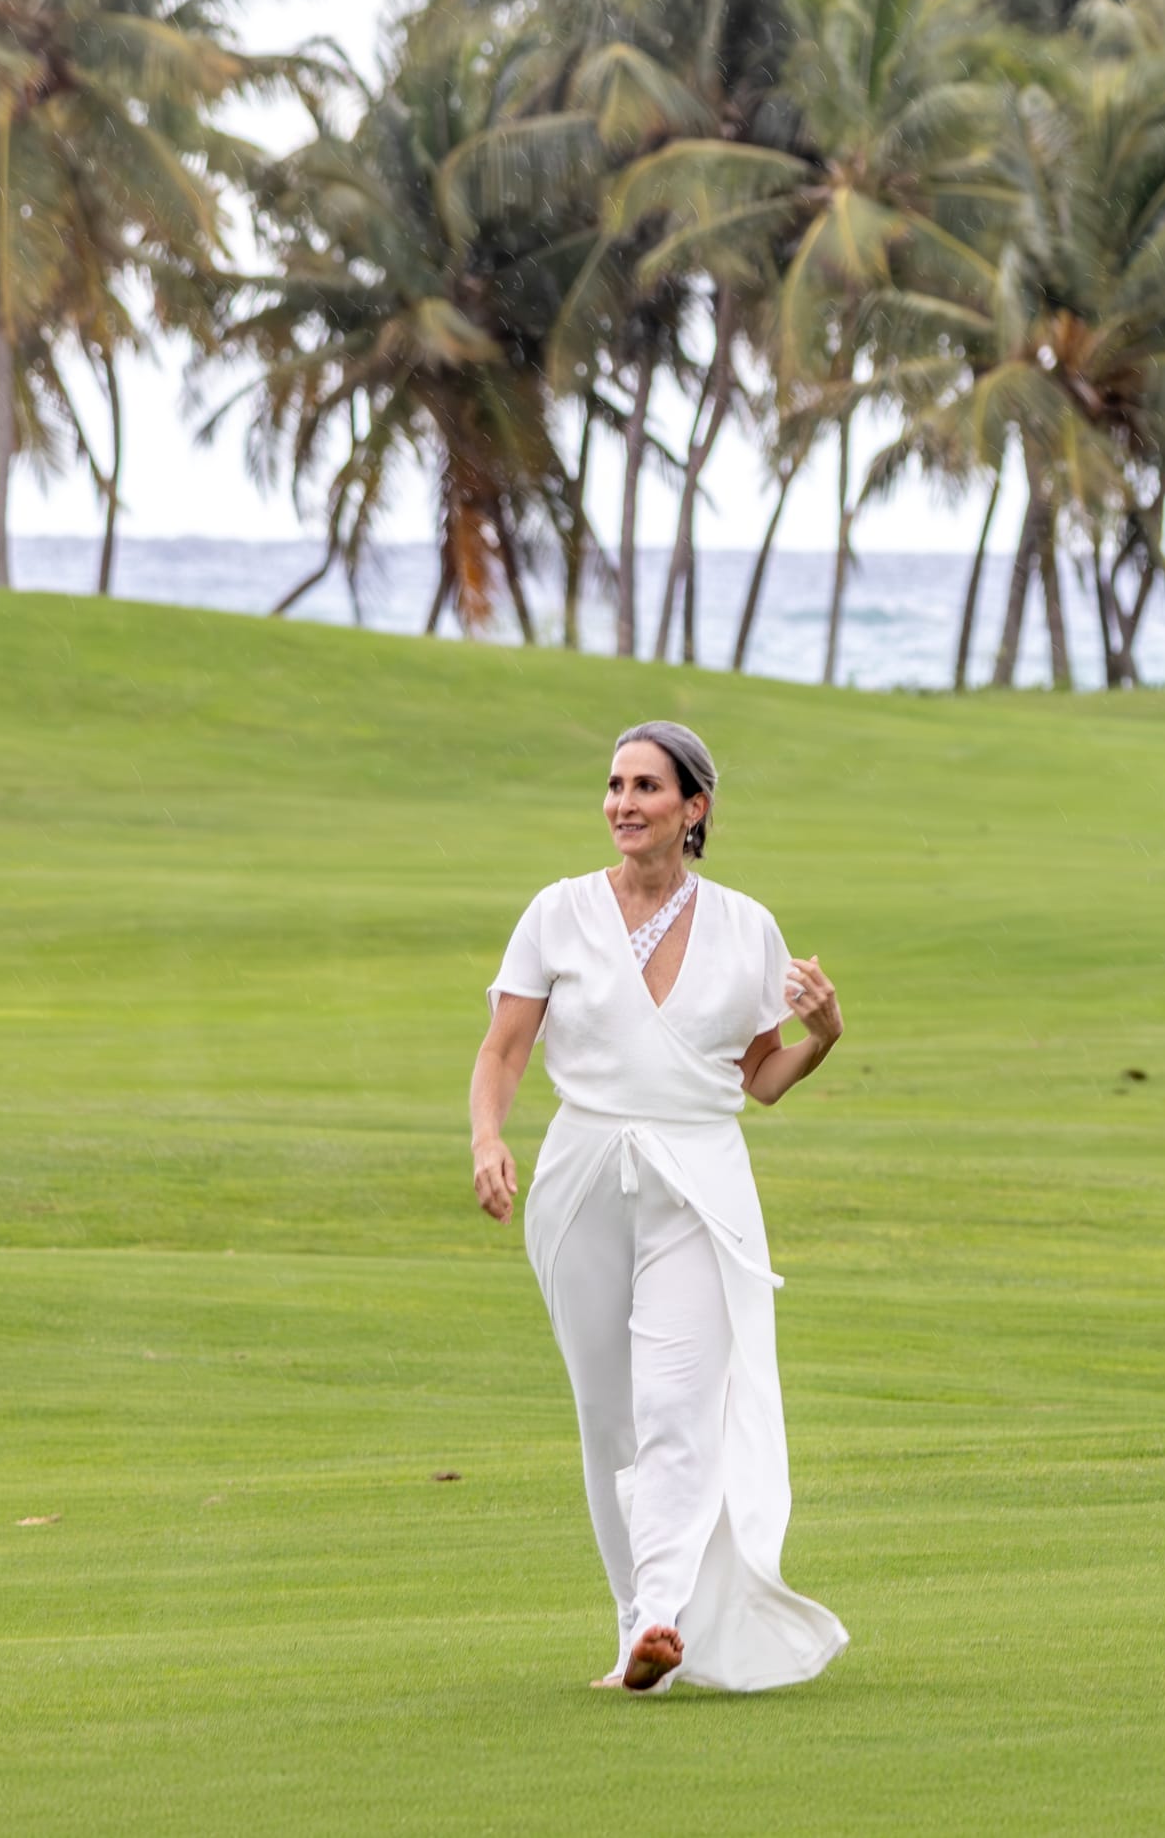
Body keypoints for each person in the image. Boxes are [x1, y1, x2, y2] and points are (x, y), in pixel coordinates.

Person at [469, 721, 852, 1694]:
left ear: (694, 808)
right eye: (613, 784)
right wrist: (487, 1138)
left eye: (645, 785)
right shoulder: (556, 912)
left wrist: (826, 1036)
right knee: (612, 1417)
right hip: (582, 1172)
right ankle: (631, 1619)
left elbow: (761, 1076)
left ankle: (658, 1620)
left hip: (698, 1178)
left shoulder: (745, 924)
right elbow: (504, 1048)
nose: (623, 802)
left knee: (678, 1402)